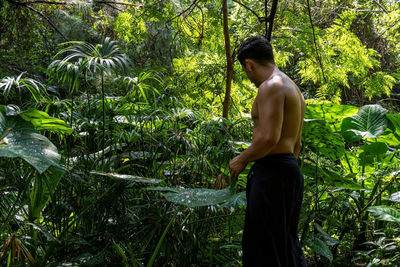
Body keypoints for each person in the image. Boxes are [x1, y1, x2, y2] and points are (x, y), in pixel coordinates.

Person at [229, 36, 308, 267]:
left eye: (246, 70)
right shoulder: (294, 88)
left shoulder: (270, 86)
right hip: (289, 172)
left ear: (249, 64)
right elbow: (297, 145)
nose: (249, 76)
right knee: (284, 243)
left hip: (272, 172)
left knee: (262, 246)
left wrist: (241, 159)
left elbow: (269, 138)